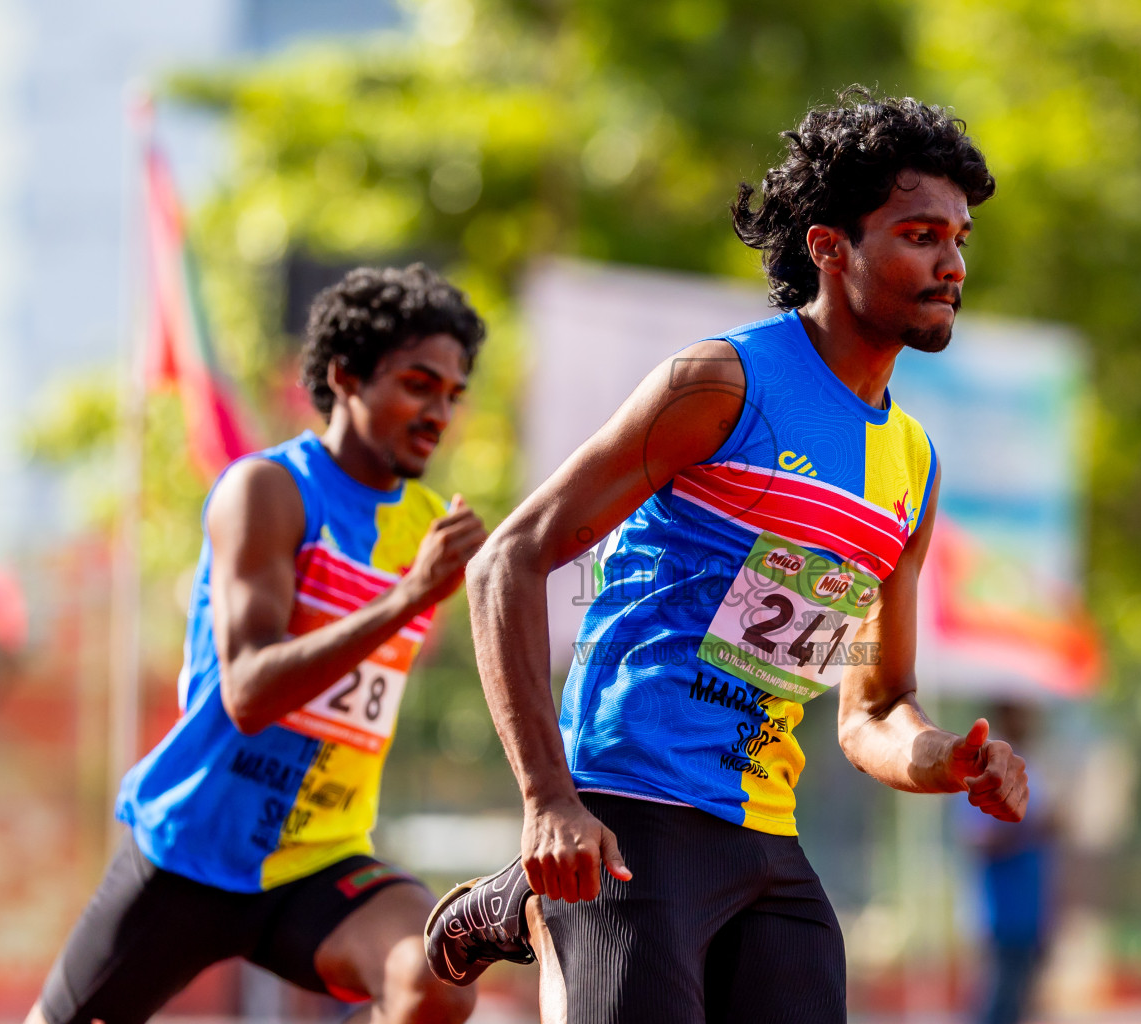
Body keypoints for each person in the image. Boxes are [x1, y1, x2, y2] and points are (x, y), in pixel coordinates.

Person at [426, 87, 1030, 1024]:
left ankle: (519, 901)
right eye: (919, 234)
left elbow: (871, 706)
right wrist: (548, 800)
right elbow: (505, 561)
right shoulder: (722, 382)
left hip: (764, 836)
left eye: (958, 239)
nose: (951, 262)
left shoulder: (913, 463)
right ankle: (539, 893)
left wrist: (943, 756)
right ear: (831, 248)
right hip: (628, 807)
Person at [29, 265, 490, 1024]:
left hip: (320, 856)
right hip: (194, 847)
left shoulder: (433, 524)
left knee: (435, 982)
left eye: (451, 394)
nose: (439, 411)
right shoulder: (268, 491)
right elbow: (248, 694)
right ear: (345, 376)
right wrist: (407, 598)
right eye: (417, 384)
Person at [955, 701, 1057, 1024]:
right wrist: (1027, 826)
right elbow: (978, 839)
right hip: (1001, 909)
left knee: (1020, 1001)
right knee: (1000, 1001)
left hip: (1030, 906)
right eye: (1021, 710)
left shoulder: (1030, 766)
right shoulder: (985, 767)